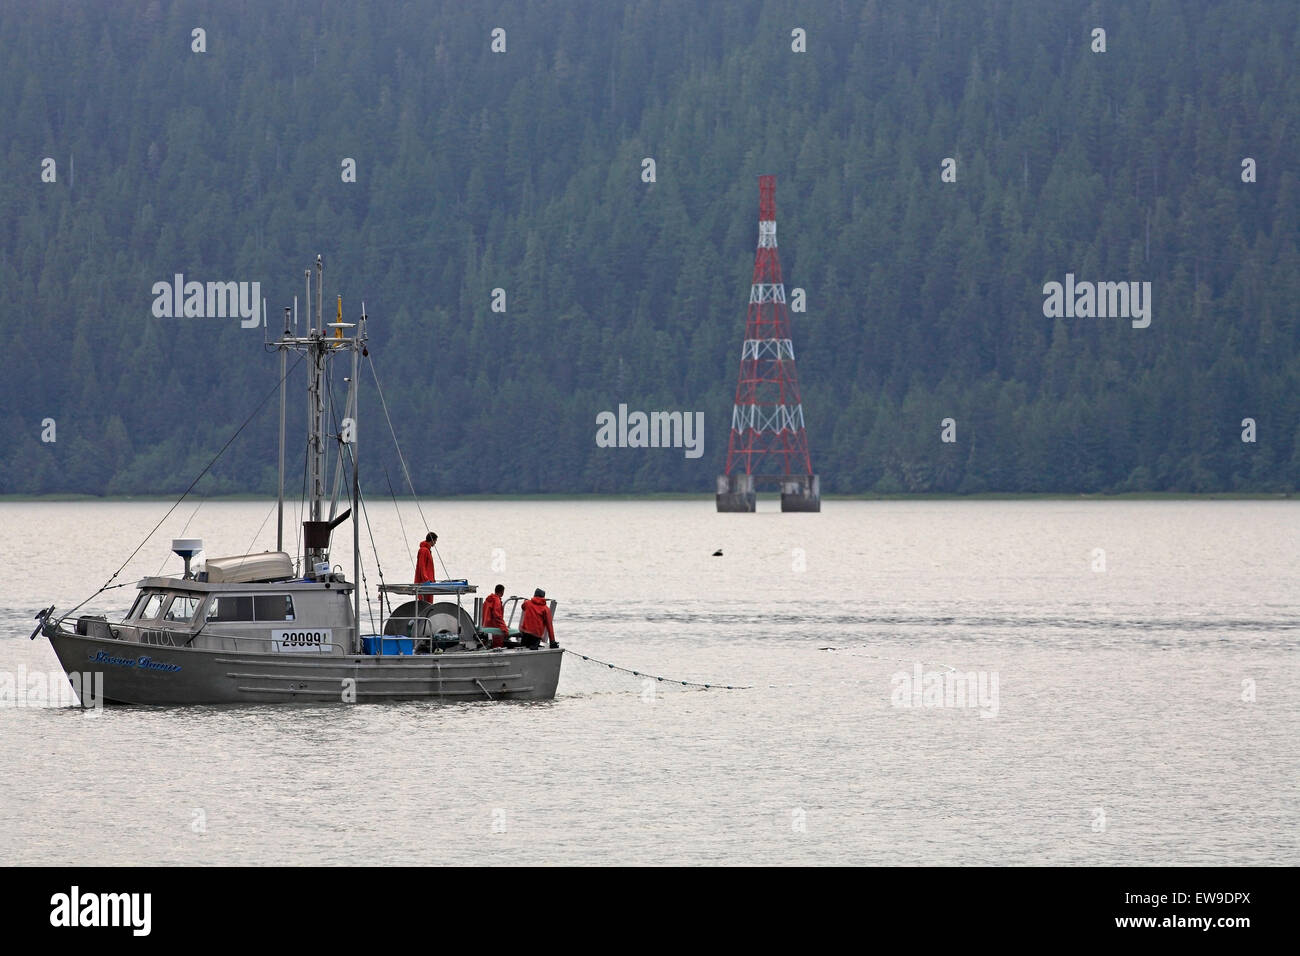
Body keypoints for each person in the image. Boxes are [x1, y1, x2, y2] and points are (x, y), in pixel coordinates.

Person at [481, 583, 509, 648]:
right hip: (494, 628)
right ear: (502, 592)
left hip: (486, 628)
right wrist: (505, 629)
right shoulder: (496, 600)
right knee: (497, 646)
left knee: (487, 645)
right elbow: (498, 616)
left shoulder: (487, 601)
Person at [414, 532, 439, 604]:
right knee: (425, 603)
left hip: (429, 582)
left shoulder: (427, 550)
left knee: (429, 603)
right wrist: (426, 580)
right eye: (435, 541)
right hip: (424, 582)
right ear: (432, 540)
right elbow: (422, 566)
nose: (435, 543)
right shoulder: (424, 550)